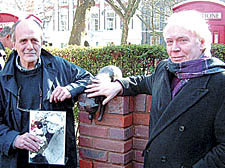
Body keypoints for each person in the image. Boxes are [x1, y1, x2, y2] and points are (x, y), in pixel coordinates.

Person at [85, 10, 225, 167]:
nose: (174, 48)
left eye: (182, 40)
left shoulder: (219, 82)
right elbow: (144, 82)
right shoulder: (165, 68)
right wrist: (118, 85)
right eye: (169, 42)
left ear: (203, 42)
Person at [0, 18, 92, 167]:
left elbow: (88, 78)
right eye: (23, 41)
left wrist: (70, 89)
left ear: (41, 42)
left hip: (55, 160)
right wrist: (14, 139)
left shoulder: (59, 66)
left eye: (34, 40)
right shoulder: (2, 79)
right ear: (14, 44)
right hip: (16, 161)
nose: (30, 46)